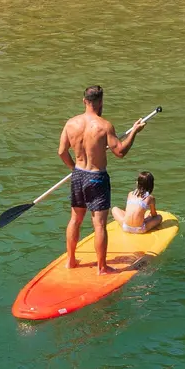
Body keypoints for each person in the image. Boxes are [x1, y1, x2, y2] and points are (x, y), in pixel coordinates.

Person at [59, 85, 146, 274]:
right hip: (96, 177)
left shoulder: (71, 124)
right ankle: (102, 267)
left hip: (78, 175)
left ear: (84, 101)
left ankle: (71, 261)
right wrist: (134, 132)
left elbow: (61, 152)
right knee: (99, 225)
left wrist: (74, 169)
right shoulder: (104, 126)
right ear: (100, 103)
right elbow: (120, 152)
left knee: (75, 219)